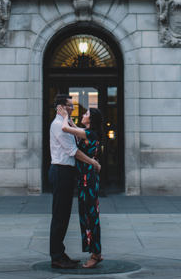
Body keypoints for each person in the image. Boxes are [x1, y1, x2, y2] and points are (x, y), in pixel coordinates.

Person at [48, 94, 100, 269]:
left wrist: (68, 120)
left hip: (67, 172)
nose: (72, 108)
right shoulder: (58, 125)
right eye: (69, 106)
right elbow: (72, 151)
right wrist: (92, 161)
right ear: (61, 107)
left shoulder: (67, 124)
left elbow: (76, 135)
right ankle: (57, 256)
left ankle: (60, 253)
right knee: (59, 215)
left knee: (63, 215)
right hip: (61, 171)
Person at [62, 107, 104, 268]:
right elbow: (73, 127)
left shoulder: (90, 134)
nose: (83, 115)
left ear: (91, 119)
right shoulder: (87, 132)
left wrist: (65, 116)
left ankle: (95, 254)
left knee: (90, 216)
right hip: (85, 178)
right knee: (86, 214)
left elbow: (66, 128)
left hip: (88, 179)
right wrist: (69, 119)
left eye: (86, 114)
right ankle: (96, 252)